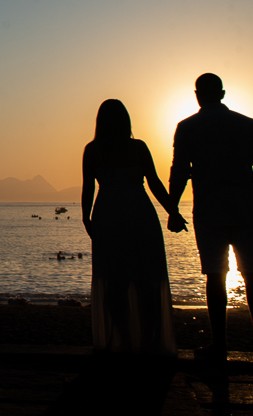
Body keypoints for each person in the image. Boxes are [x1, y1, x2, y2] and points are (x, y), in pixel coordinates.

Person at [168, 73, 253, 362]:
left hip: (209, 209)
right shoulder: (248, 125)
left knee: (215, 276)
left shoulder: (187, 128)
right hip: (246, 208)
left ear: (197, 95)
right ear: (223, 93)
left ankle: (219, 345)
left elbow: (179, 171)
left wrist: (172, 209)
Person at [82, 99, 186, 354]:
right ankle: (147, 340)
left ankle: (126, 339)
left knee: (115, 281)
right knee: (145, 281)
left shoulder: (94, 149)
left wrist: (87, 218)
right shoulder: (137, 148)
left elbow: (88, 188)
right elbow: (154, 183)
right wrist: (172, 210)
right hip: (139, 214)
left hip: (108, 216)